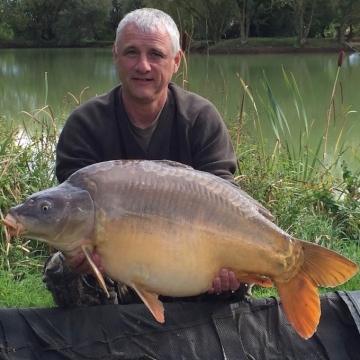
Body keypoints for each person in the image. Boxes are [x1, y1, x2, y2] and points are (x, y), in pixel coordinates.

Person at [43, 8, 251, 307]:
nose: (143, 65)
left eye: (155, 54)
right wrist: (78, 253)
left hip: (192, 260)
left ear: (176, 61)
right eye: (131, 52)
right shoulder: (85, 124)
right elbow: (71, 210)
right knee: (66, 266)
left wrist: (228, 266)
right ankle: (103, 343)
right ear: (115, 56)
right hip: (116, 264)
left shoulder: (201, 118)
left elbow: (225, 200)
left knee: (238, 275)